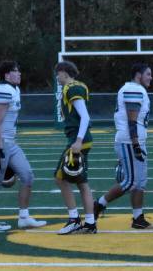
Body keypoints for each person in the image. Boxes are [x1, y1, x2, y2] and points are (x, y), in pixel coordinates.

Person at [94, 63, 153, 230]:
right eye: (148, 74)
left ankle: (138, 218)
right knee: (130, 182)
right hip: (130, 141)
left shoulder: (136, 89)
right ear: (138, 75)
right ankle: (98, 205)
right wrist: (136, 144)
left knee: (140, 182)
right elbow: (131, 121)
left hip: (135, 141)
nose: (151, 77)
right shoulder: (133, 89)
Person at [0, 61, 45, 231]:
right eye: (15, 71)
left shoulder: (15, 90)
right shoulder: (2, 90)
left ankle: (24, 217)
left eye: (19, 71)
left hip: (11, 142)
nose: (19, 74)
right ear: (6, 75)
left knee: (27, 176)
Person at [53, 61, 96, 234]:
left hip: (79, 140)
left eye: (58, 73)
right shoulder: (76, 87)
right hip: (81, 139)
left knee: (60, 177)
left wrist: (78, 141)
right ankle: (90, 222)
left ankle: (74, 219)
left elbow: (85, 117)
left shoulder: (72, 88)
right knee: (81, 181)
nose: (57, 77)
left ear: (64, 72)